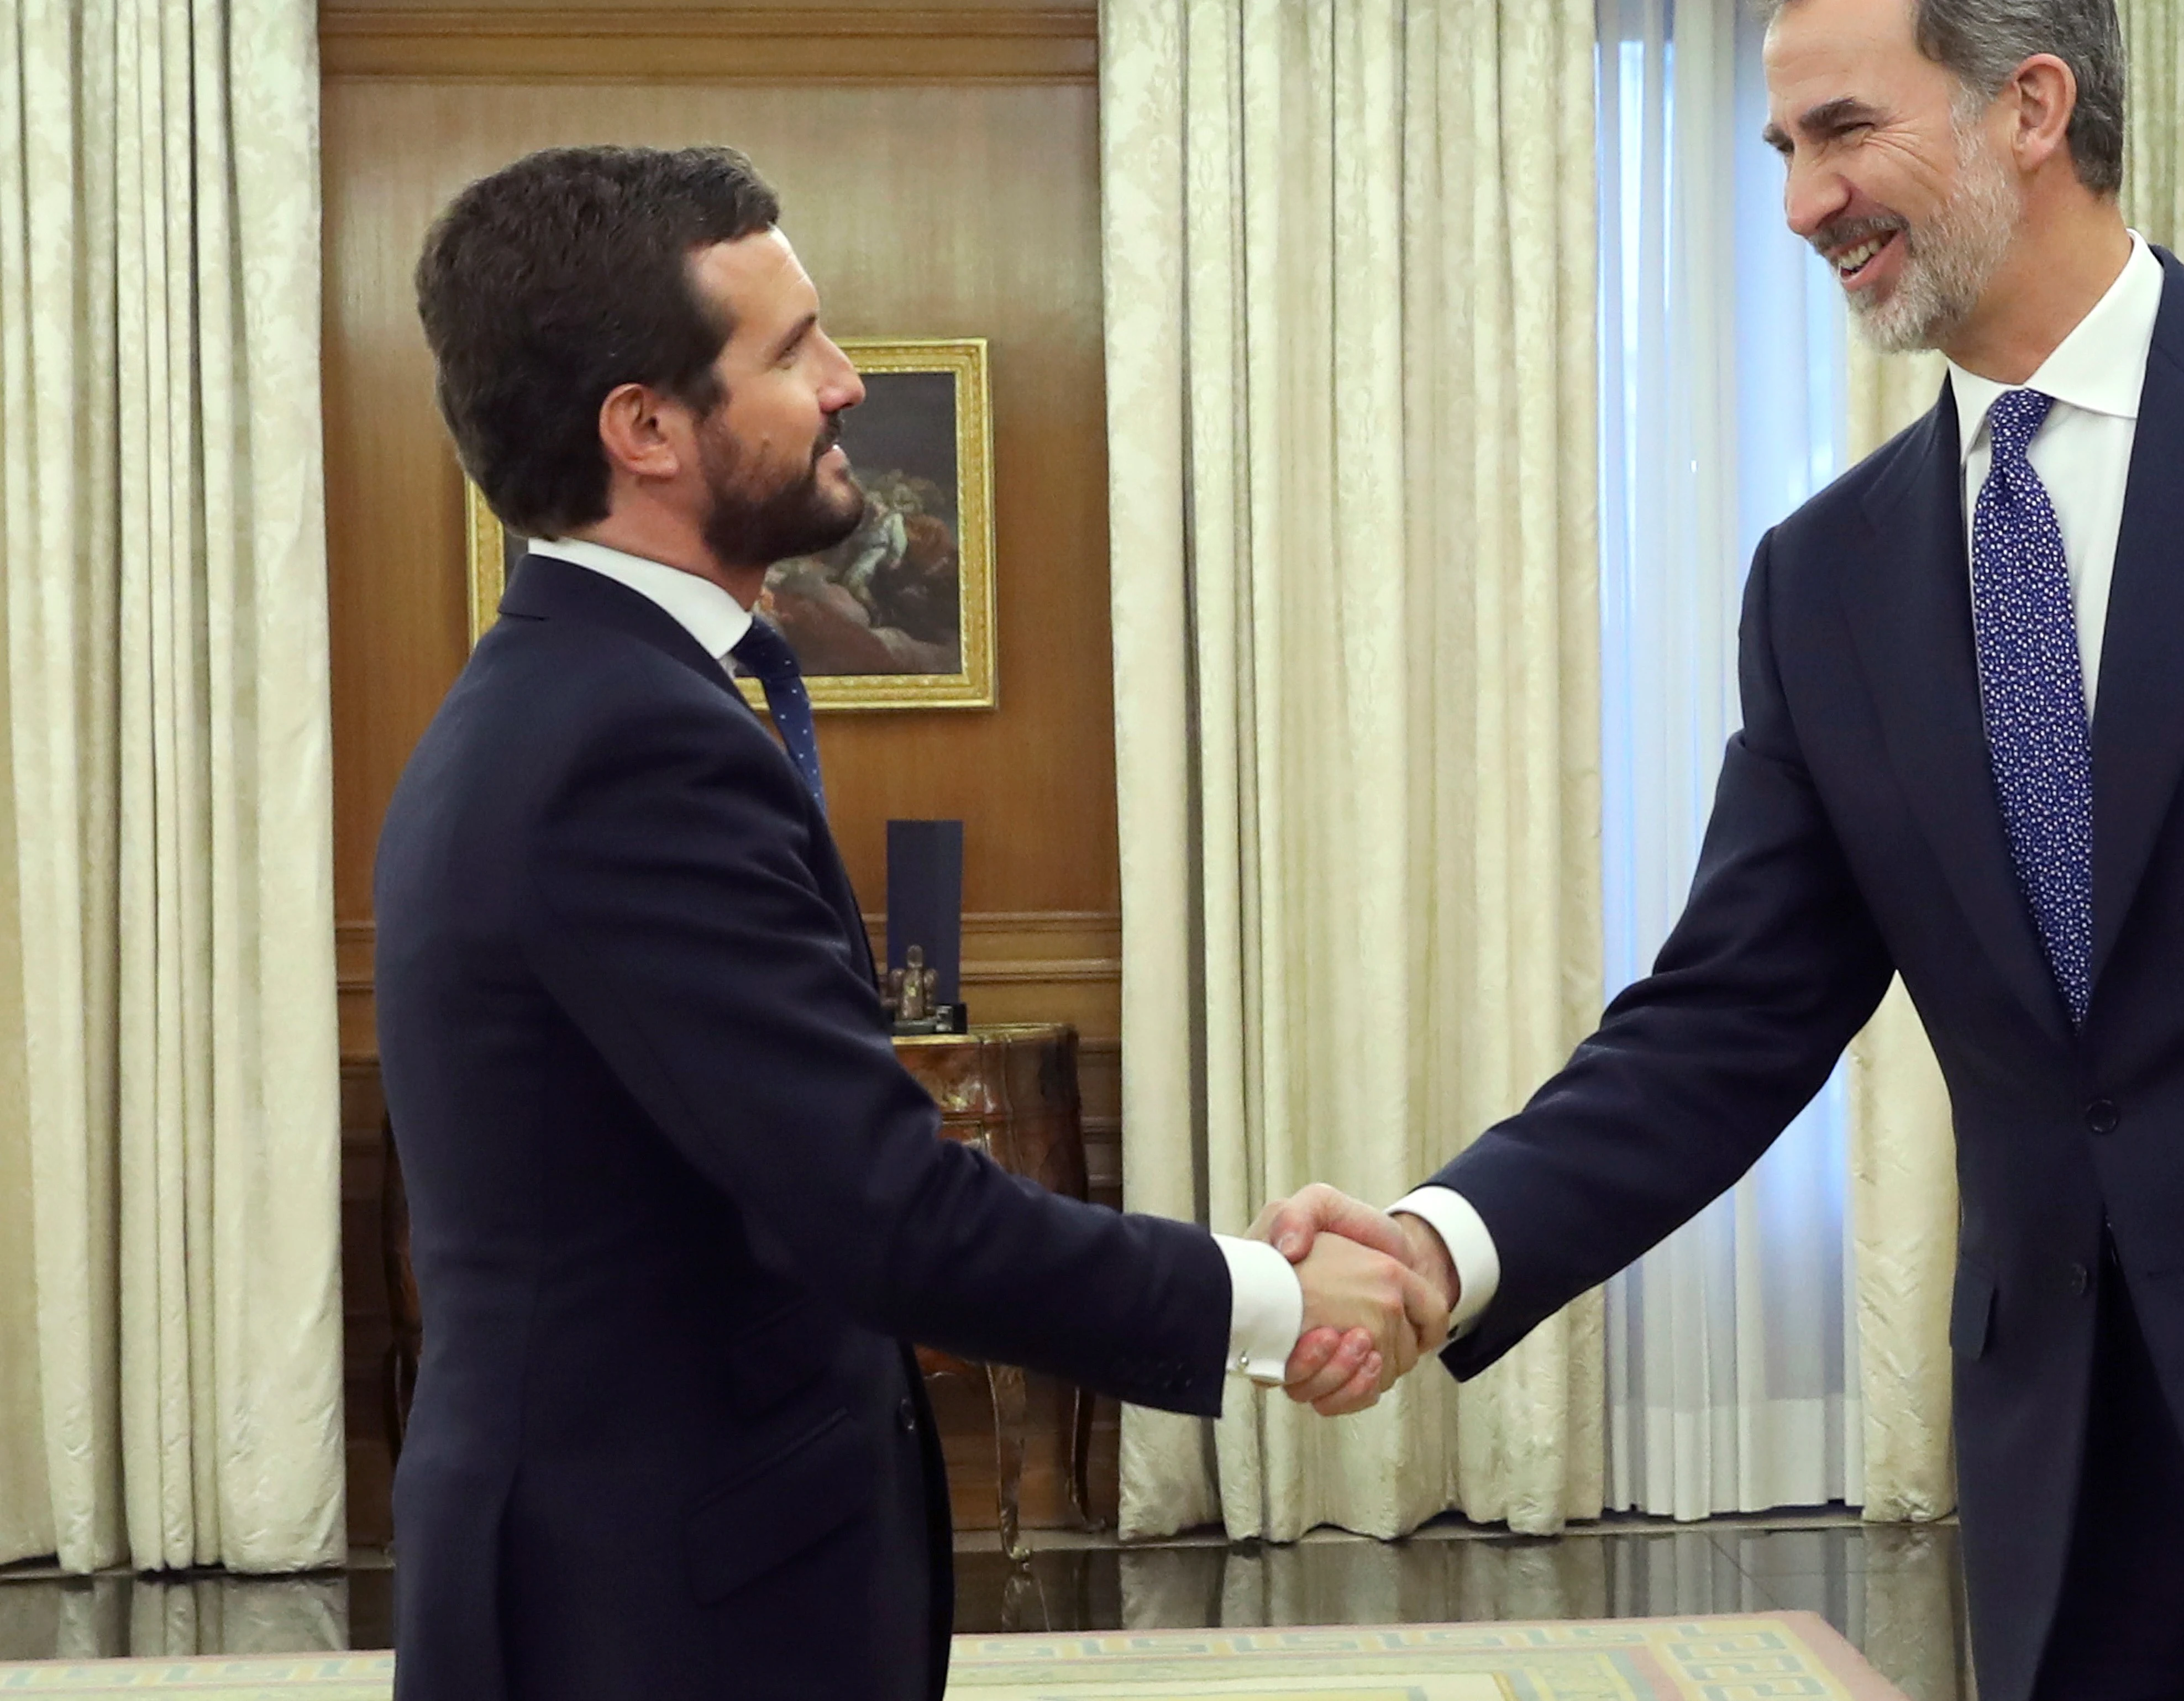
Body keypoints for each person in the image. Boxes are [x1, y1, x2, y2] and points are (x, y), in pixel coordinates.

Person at [1254, 2, 2184, 1696]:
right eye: (1784, 154)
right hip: (2065, 1489)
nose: (1804, 205)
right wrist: (1449, 1240)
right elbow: (1727, 1019)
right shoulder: (1827, 580)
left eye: (1843, 134)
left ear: (2032, 107)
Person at [375, 145, 1444, 1701]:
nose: (848, 380)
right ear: (647, 427)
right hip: (650, 1617)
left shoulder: (579, 699)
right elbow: (885, 1216)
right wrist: (1277, 1299)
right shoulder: (622, 744)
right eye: (794, 346)